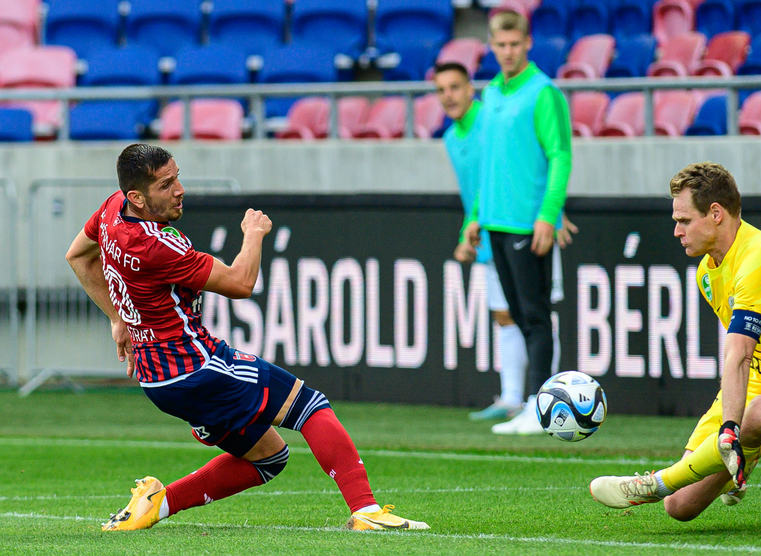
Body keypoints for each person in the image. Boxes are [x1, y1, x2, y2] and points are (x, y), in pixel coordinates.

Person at [65, 144, 428, 532]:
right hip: (196, 366)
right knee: (308, 405)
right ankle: (367, 510)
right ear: (137, 197)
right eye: (166, 185)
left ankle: (157, 504)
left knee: (268, 458)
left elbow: (78, 256)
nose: (180, 190)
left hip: (159, 382)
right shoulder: (155, 244)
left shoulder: (112, 209)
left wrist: (118, 316)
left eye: (177, 177)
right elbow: (240, 283)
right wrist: (253, 234)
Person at [589, 162, 761, 521]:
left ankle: (654, 485)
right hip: (756, 385)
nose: (676, 231)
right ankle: (746, 449)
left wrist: (731, 429)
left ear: (716, 214)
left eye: (684, 220)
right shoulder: (707, 272)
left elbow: (740, 352)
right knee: (680, 507)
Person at [463, 9, 573, 436]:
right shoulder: (491, 93)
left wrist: (548, 215)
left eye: (515, 44)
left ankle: (541, 407)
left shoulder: (543, 92)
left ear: (527, 43)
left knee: (535, 316)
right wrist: (476, 216)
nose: (508, 51)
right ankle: (532, 404)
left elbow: (560, 156)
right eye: (501, 45)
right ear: (491, 46)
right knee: (520, 317)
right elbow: (489, 163)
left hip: (528, 224)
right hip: (496, 223)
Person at [434, 61, 528, 421]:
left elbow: (500, 177)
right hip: (488, 233)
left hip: (515, 224)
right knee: (504, 314)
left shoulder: (489, 122)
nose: (449, 96)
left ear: (470, 89)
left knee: (532, 314)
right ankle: (512, 397)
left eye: (455, 87)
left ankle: (543, 397)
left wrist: (551, 211)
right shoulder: (450, 137)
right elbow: (475, 190)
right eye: (441, 90)